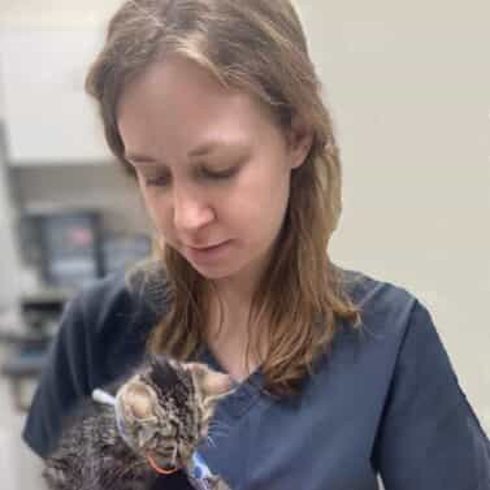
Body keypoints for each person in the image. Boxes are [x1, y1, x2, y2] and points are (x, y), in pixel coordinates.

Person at [23, 0, 490, 488]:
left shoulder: (388, 336)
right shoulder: (97, 326)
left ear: (297, 136)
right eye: (155, 177)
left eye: (218, 169)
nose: (187, 218)